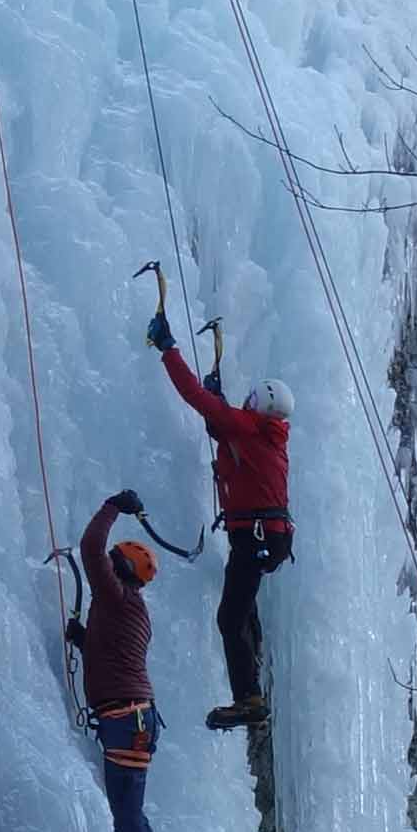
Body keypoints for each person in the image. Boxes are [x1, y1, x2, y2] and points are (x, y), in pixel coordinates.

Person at [146, 308, 292, 730]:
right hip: (268, 537)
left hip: (256, 536)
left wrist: (169, 349)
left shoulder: (252, 428)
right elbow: (226, 433)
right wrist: (219, 408)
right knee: (242, 609)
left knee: (229, 617)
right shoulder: (265, 435)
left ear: (259, 404)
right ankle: (253, 676)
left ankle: (248, 698)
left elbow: (196, 398)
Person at [66, 489, 187, 832]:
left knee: (127, 820)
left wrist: (112, 506)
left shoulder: (115, 597)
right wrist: (83, 641)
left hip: (126, 722)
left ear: (118, 569)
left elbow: (88, 547)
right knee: (133, 815)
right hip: (136, 720)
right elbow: (114, 657)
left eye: (113, 560)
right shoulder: (129, 611)